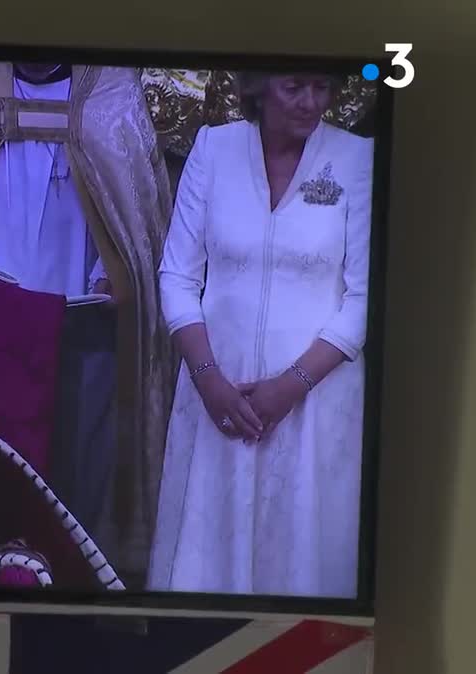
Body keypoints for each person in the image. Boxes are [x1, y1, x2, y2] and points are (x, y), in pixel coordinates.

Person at [0, 61, 176, 576]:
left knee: (68, 466)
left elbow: (133, 204)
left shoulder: (109, 89)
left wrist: (111, 272)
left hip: (77, 322)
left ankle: (69, 575)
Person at [148, 72, 373, 598]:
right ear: (258, 87)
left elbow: (365, 297)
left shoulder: (359, 159)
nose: (311, 102)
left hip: (313, 404)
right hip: (217, 399)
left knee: (298, 567)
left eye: (322, 88)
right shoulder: (214, 147)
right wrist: (208, 380)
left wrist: (289, 387)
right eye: (295, 87)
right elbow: (178, 275)